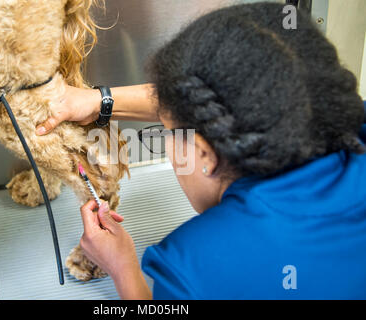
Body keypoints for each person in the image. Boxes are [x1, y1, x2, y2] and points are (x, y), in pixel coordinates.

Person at [36, 2, 366, 299]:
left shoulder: (192, 268)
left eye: (167, 128)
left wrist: (123, 268)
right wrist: (97, 102)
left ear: (204, 153)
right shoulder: (351, 123)